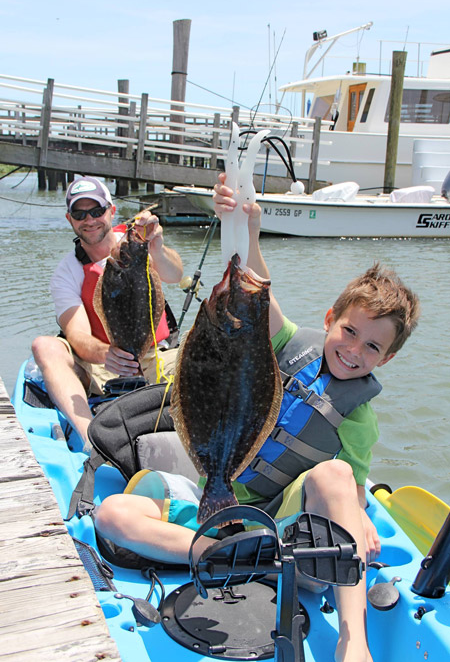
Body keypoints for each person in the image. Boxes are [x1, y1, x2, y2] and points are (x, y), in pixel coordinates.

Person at [95, 172, 420, 662]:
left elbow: (351, 486)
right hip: (213, 498)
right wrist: (244, 226)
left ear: (387, 359)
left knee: (333, 474)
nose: (354, 350)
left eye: (372, 347)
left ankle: (354, 639)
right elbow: (255, 293)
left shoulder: (358, 419)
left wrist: (359, 516)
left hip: (280, 519)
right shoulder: (288, 344)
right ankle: (216, 552)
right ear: (329, 319)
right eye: (350, 331)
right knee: (111, 514)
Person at [32, 176, 183, 451]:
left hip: (156, 356)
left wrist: (158, 249)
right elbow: (76, 334)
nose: (89, 220)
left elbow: (174, 274)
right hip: (103, 366)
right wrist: (109, 354)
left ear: (111, 211)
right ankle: (90, 438)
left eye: (97, 211)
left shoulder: (139, 244)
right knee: (45, 346)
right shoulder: (67, 272)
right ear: (69, 219)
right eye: (80, 214)